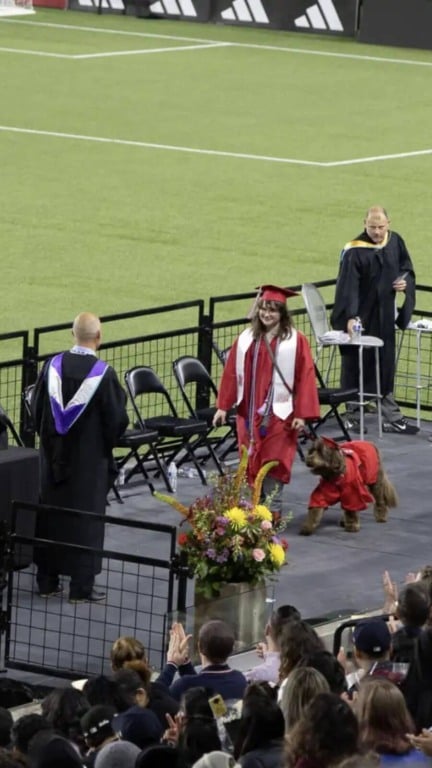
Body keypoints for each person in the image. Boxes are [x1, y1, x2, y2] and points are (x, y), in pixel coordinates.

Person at [31, 312, 129, 603]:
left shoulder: (51, 368)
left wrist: (52, 446)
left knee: (50, 516)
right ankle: (80, 588)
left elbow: (36, 411)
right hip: (88, 466)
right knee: (84, 522)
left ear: (72, 335)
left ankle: (47, 581)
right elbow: (116, 421)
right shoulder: (103, 374)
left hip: (51, 462)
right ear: (99, 337)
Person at [213, 285, 320, 517]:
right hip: (248, 415)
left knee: (274, 461)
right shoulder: (246, 339)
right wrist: (223, 406)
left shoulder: (296, 341)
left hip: (280, 415)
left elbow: (305, 377)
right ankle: (250, 510)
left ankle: (271, 512)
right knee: (248, 460)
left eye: (273, 310)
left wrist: (302, 414)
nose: (266, 314)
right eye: (263, 309)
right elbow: (232, 372)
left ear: (282, 313)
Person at [331, 206, 416, 435]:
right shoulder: (354, 251)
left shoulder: (395, 241)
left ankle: (392, 416)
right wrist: (350, 316)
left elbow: (406, 269)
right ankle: (352, 415)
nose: (377, 232)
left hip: (385, 316)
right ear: (364, 224)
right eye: (372, 227)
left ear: (389, 223)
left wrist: (403, 283)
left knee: (385, 365)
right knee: (356, 364)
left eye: (381, 227)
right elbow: (347, 287)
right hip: (362, 317)